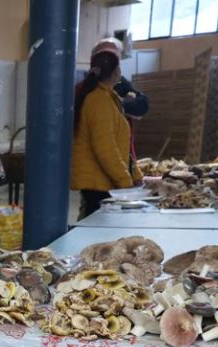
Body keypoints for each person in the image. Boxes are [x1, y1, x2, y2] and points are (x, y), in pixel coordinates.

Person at [70, 39, 144, 220]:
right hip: (98, 186)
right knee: (93, 238)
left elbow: (118, 147)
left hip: (104, 183)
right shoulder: (98, 100)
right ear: (117, 71)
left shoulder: (108, 97)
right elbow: (105, 148)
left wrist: (136, 174)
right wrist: (125, 181)